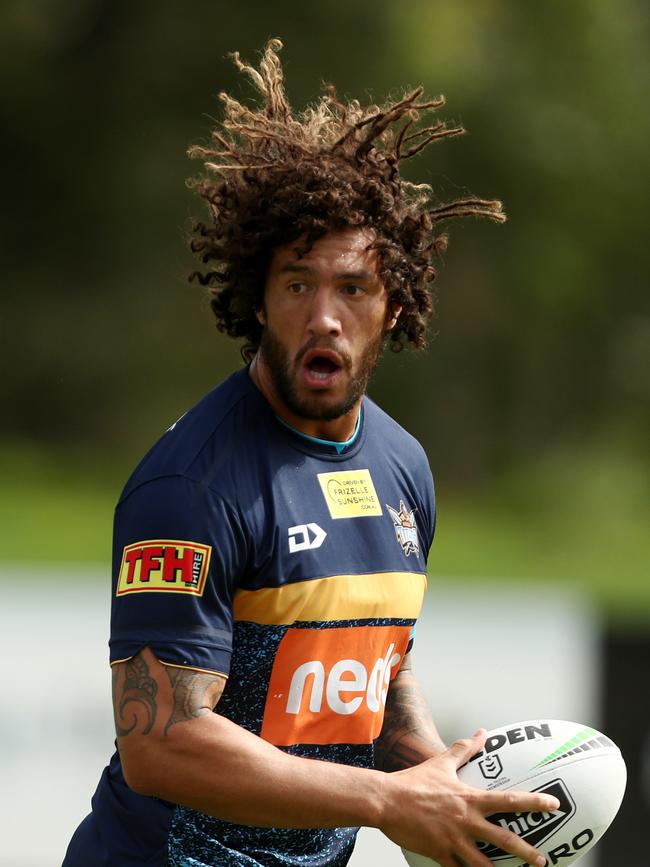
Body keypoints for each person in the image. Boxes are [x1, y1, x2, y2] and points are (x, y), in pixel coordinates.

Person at [63, 39, 557, 867]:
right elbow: (164, 744)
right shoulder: (191, 485)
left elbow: (376, 669)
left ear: (394, 305)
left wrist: (440, 785)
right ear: (258, 297)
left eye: (353, 287)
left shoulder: (403, 467)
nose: (324, 315)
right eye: (298, 283)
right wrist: (390, 800)